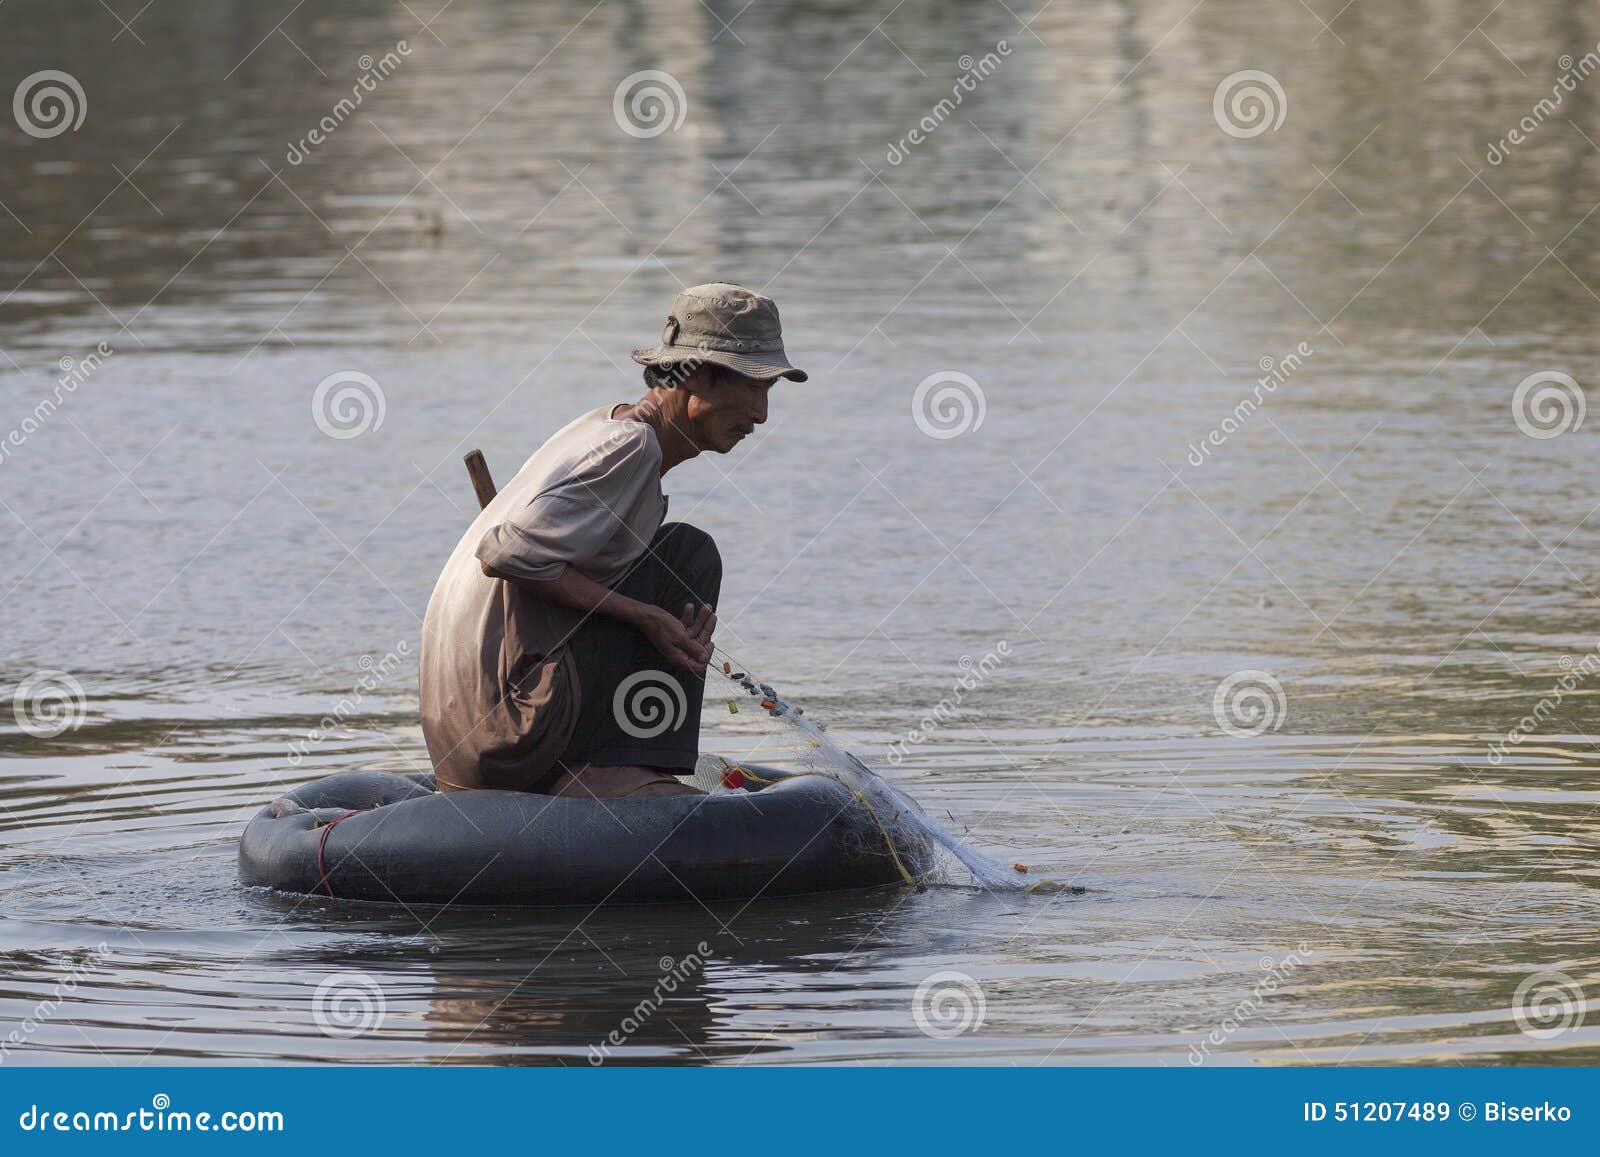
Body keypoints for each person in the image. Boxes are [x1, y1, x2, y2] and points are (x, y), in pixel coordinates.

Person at [419, 283, 808, 799]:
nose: (760, 415)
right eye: (753, 388)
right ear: (693, 376)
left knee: (664, 554)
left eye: (769, 392)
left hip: (472, 739)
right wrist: (645, 616)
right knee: (686, 558)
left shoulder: (605, 428)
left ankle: (608, 760)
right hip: (505, 736)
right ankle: (614, 769)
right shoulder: (629, 449)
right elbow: (505, 554)